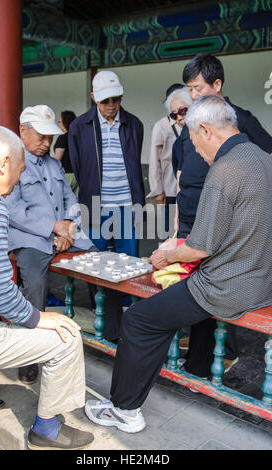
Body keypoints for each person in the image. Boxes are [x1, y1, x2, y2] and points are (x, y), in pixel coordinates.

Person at [84, 95, 272, 433]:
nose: (197, 152)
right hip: (263, 283)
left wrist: (167, 253)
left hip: (226, 287)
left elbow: (200, 247)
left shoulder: (225, 169)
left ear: (205, 130)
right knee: (163, 313)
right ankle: (179, 368)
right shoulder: (263, 158)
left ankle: (124, 409)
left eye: (195, 143)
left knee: (139, 321)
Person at [0, 126, 94, 450]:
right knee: (66, 337)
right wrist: (36, 317)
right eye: (17, 171)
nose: (15, 182)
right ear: (2, 165)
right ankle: (47, 430)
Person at [174, 53, 272, 369]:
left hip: (222, 223)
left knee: (216, 286)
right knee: (194, 287)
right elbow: (180, 168)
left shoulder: (240, 121)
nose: (193, 95)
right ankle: (201, 353)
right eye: (189, 89)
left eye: (199, 88)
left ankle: (219, 354)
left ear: (217, 85)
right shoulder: (191, 122)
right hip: (191, 219)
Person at [5, 105, 94, 385]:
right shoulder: (10, 161)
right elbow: (13, 209)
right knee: (34, 286)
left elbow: (70, 199)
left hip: (64, 233)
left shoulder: (55, 164)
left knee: (98, 261)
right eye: (41, 137)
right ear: (23, 131)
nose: (47, 143)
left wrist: (67, 225)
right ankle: (29, 358)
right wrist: (52, 227)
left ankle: (112, 334)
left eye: (50, 138)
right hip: (30, 237)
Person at [68, 70, 145, 258]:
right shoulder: (79, 127)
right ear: (94, 98)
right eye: (105, 101)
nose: (111, 105)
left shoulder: (134, 125)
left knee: (129, 262)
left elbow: (134, 167)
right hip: (94, 206)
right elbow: (78, 168)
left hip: (127, 206)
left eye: (116, 99)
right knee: (94, 261)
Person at [147, 84, 191, 239]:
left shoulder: (193, 124)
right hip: (169, 190)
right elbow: (154, 160)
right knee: (167, 232)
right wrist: (158, 191)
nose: (179, 116)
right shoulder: (161, 126)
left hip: (188, 189)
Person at [54, 110, 78, 194]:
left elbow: (57, 159)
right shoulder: (77, 137)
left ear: (65, 122)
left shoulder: (63, 138)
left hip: (66, 174)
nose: (58, 124)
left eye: (60, 121)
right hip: (76, 174)